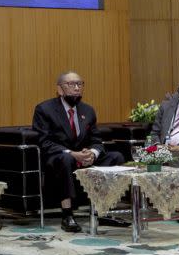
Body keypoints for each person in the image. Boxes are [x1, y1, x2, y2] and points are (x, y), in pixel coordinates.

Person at [32, 71, 126, 233]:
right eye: (71, 84)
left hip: (84, 158)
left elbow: (96, 140)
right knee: (65, 159)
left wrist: (92, 153)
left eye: (80, 84)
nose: (76, 88)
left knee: (116, 157)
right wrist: (72, 153)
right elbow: (44, 142)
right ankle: (67, 215)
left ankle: (103, 209)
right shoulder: (45, 109)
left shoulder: (88, 110)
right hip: (58, 159)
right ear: (60, 89)